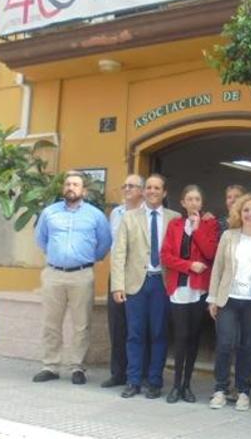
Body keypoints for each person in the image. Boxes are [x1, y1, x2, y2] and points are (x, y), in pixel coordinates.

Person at [32, 171, 111, 385]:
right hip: (53, 274)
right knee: (51, 323)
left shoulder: (95, 215)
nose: (71, 187)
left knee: (81, 324)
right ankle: (50, 366)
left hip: (82, 275)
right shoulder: (49, 213)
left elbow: (105, 243)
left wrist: (86, 259)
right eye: (67, 184)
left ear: (83, 190)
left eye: (75, 184)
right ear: (63, 188)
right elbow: (41, 240)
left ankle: (77, 367)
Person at [111, 174, 180, 399]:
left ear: (164, 192)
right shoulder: (129, 217)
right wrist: (117, 286)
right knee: (135, 334)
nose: (152, 191)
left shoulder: (175, 218)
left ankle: (155, 382)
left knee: (159, 334)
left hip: (161, 283)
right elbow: (119, 253)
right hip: (135, 284)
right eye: (148, 187)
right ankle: (133, 381)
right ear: (144, 191)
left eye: (156, 188)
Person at [207, 193, 251, 411]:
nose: (250, 214)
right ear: (239, 213)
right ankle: (220, 389)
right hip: (228, 299)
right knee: (225, 344)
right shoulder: (229, 236)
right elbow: (217, 268)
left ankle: (243, 391)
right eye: (246, 210)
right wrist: (212, 298)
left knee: (248, 347)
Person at [160, 184, 218, 403]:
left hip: (198, 289)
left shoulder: (209, 224)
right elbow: (165, 256)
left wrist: (197, 230)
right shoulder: (174, 225)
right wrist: (188, 266)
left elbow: (210, 253)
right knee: (180, 337)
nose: (193, 203)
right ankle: (176, 385)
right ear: (183, 203)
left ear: (201, 204)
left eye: (197, 199)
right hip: (178, 287)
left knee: (193, 337)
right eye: (189, 199)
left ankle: (187, 385)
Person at [101, 174, 144, 389]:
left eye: (132, 186)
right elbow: (111, 244)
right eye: (125, 185)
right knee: (117, 325)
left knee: (138, 326)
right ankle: (118, 373)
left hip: (140, 274)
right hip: (117, 274)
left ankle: (139, 373)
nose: (127, 189)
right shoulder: (116, 214)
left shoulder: (147, 213)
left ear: (142, 191)